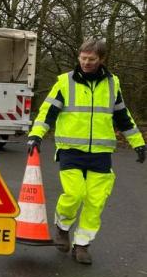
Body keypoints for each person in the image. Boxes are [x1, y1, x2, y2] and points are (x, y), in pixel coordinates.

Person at [27, 37, 145, 264]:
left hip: (101, 153)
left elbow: (123, 117)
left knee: (95, 201)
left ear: (101, 59)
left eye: (91, 59)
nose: (86, 63)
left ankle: (82, 245)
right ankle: (62, 227)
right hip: (71, 150)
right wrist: (35, 136)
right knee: (74, 194)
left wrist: (138, 142)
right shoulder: (65, 82)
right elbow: (47, 113)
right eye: (83, 58)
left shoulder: (112, 84)